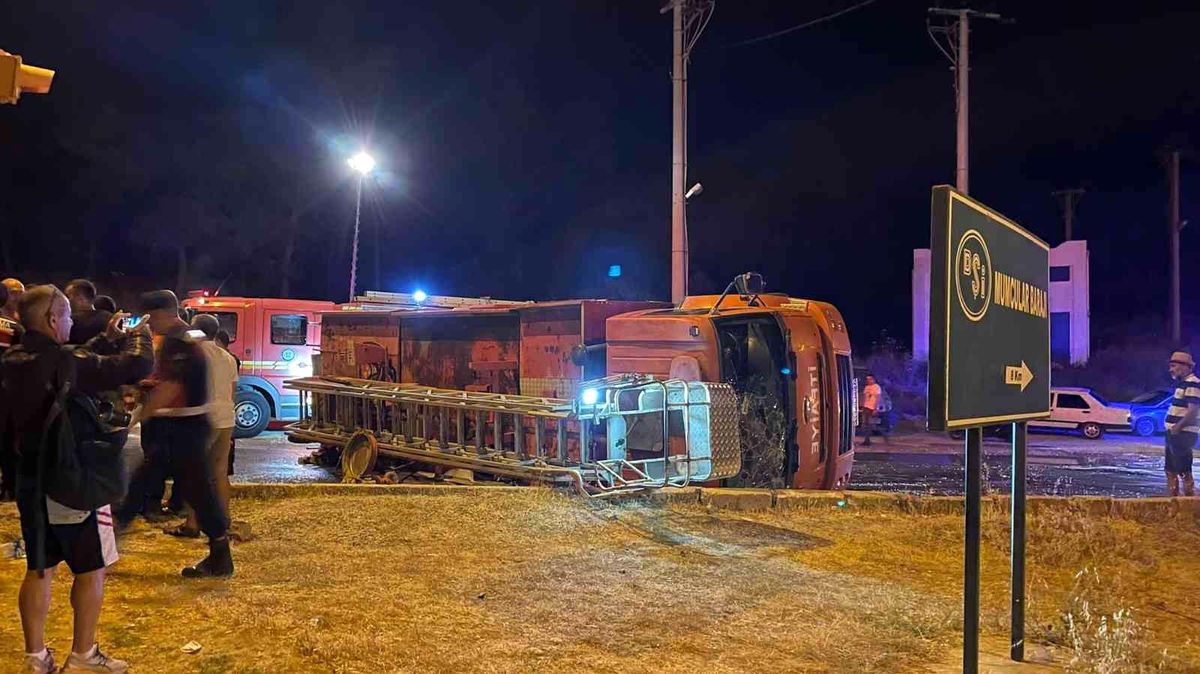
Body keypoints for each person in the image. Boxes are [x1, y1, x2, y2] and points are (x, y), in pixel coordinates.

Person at [2, 285, 153, 674]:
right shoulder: (60, 362)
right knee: (91, 569)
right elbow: (132, 367)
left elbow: (82, 357)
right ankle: (83, 655)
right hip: (72, 479)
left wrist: (106, 337)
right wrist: (140, 336)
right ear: (53, 319)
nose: (71, 322)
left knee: (39, 567)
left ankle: (35, 658)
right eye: (66, 316)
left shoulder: (12, 359)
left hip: (28, 480)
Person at [119, 290, 233, 577]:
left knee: (186, 488)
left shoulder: (180, 340)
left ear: (163, 313)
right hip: (184, 425)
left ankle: (111, 536)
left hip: (184, 426)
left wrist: (136, 418)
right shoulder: (185, 337)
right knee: (164, 484)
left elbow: (172, 387)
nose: (149, 326)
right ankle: (220, 554)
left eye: (151, 318)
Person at [167, 314, 237, 539]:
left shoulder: (195, 354)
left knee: (194, 473)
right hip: (227, 418)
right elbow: (232, 390)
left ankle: (192, 524)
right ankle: (224, 520)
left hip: (203, 419)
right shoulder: (227, 357)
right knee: (219, 473)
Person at [1165, 351, 1200, 497]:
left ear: (1185, 367)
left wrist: (1177, 428)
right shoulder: (1183, 383)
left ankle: (1189, 503)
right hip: (1175, 432)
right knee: (1170, 470)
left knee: (1184, 471)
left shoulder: (1193, 383)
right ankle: (1173, 503)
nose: (1170, 370)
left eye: (1173, 366)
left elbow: (1193, 411)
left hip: (1182, 433)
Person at [64, 279, 114, 346]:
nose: (65, 300)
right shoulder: (111, 319)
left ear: (79, 298)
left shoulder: (69, 322)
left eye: (67, 296)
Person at [859, 374, 883, 446]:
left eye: (869, 379)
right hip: (866, 407)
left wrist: (875, 408)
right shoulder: (867, 387)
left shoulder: (877, 387)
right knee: (865, 424)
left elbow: (878, 398)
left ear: (873, 379)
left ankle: (867, 440)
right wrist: (862, 406)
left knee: (869, 424)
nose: (868, 380)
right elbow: (864, 397)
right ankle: (866, 440)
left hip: (871, 408)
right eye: (867, 379)